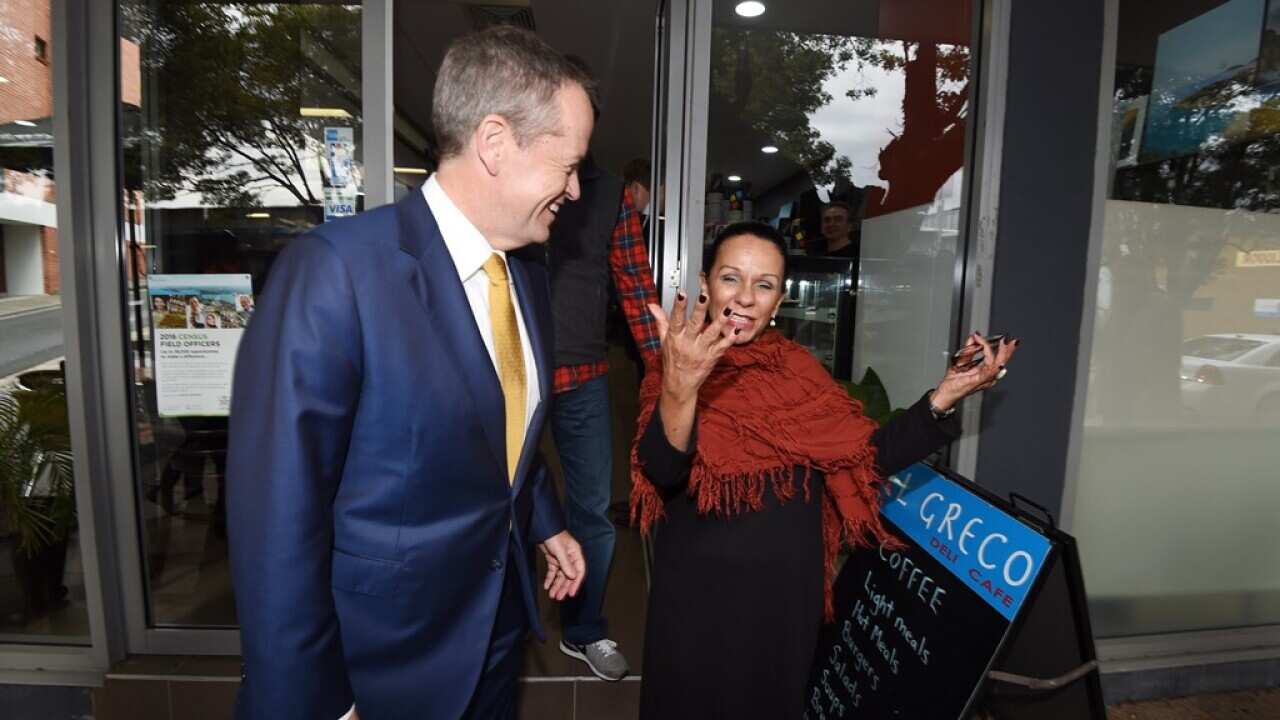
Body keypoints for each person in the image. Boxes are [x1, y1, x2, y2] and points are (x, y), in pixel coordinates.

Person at [226, 26, 594, 720]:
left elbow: (498, 426)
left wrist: (545, 522)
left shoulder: (527, 275)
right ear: (494, 142)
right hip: (378, 668)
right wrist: (315, 701)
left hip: (494, 637)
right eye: (568, 165)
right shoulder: (335, 272)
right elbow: (276, 518)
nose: (574, 191)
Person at [630, 221, 1017, 719]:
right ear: (705, 284)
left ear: (779, 300)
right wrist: (682, 387)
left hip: (785, 605)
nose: (745, 297)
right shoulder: (674, 367)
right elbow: (662, 470)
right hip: (701, 607)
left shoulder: (800, 373)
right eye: (731, 278)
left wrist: (943, 397)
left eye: (764, 285)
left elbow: (865, 458)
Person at [544, 59, 661, 680]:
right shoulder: (510, 172)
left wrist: (667, 373)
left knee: (591, 510)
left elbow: (634, 285)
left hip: (583, 376)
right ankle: (486, 634)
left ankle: (584, 629)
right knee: (493, 506)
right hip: (507, 373)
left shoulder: (610, 193)